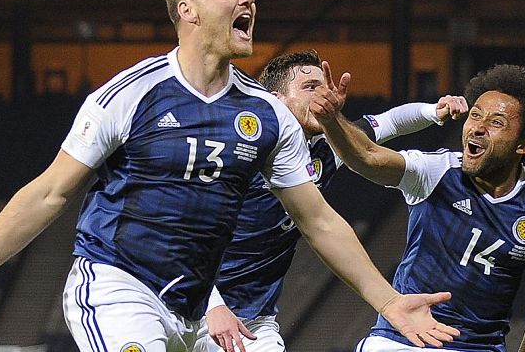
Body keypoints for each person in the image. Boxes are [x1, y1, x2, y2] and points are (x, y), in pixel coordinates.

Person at [0, 0, 458, 352]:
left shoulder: (266, 114)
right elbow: (47, 194)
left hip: (199, 311)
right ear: (186, 10)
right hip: (118, 285)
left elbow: (319, 221)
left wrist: (387, 301)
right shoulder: (129, 95)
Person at [194, 50, 468, 352]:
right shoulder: (240, 153)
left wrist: (434, 111)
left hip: (252, 322)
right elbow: (186, 235)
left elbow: (388, 123)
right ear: (276, 99)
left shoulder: (326, 149)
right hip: (190, 304)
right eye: (309, 87)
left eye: (323, 86)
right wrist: (212, 305)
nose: (322, 94)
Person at [310, 63, 525, 352]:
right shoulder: (435, 171)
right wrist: (331, 119)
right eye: (475, 115)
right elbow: (366, 156)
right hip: (402, 339)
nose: (479, 128)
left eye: (496, 122)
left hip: (478, 348)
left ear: (523, 145)